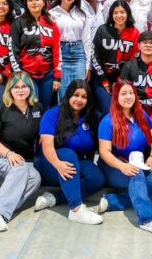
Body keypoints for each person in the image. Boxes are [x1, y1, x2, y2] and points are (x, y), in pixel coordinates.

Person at [95, 80, 152, 234]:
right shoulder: (107, 121)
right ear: (116, 97)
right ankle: (149, 219)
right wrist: (123, 166)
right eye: (123, 93)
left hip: (138, 164)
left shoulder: (141, 115)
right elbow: (104, 152)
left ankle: (113, 201)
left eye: (131, 93)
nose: (128, 97)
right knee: (137, 175)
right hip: (113, 167)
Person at [36, 81, 105, 224]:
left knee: (97, 177)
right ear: (68, 95)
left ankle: (55, 198)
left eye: (84, 97)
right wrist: (57, 164)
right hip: (50, 165)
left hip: (73, 168)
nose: (79, 100)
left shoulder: (91, 117)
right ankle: (76, 209)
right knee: (68, 154)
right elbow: (47, 146)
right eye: (76, 95)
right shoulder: (53, 114)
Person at [0, 72, 45, 231]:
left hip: (23, 163)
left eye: (24, 86)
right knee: (21, 167)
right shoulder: (2, 109)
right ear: (9, 90)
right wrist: (9, 154)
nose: (20, 90)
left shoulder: (37, 108)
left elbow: (42, 136)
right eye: (16, 87)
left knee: (35, 178)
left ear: (30, 88)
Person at [9, 0, 62, 109]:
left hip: (48, 75)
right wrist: (18, 74)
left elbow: (57, 51)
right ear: (26, 4)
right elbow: (13, 50)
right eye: (30, 0)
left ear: (44, 2)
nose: (34, 3)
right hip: (27, 74)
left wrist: (57, 76)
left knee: (45, 107)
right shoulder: (18, 23)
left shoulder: (52, 23)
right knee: (31, 107)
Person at [89, 0, 141, 114]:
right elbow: (94, 54)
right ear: (111, 15)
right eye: (115, 12)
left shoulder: (135, 33)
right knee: (108, 109)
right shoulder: (103, 30)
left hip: (123, 78)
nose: (119, 16)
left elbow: (134, 60)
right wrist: (104, 81)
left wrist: (119, 82)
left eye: (122, 12)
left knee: (123, 110)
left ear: (128, 13)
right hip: (101, 77)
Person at [50, 0, 93, 101]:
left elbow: (87, 41)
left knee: (79, 91)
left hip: (79, 55)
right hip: (61, 55)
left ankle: (78, 120)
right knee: (64, 94)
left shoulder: (81, 14)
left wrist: (88, 65)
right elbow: (51, 41)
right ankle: (64, 119)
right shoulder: (51, 14)